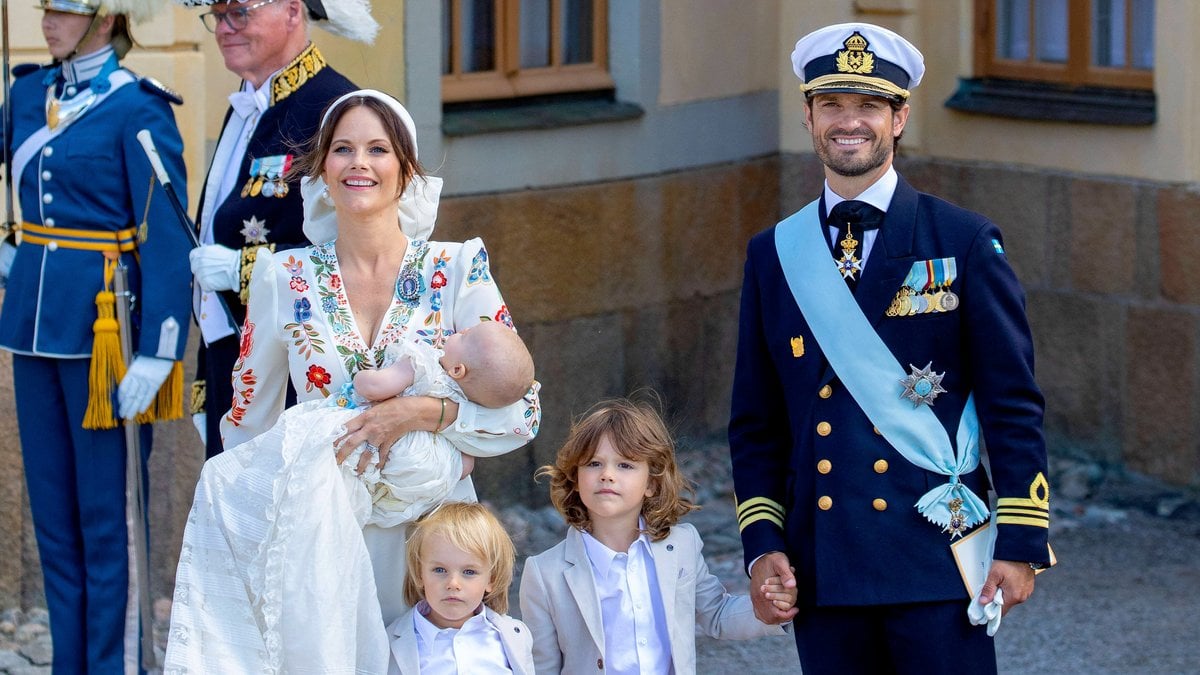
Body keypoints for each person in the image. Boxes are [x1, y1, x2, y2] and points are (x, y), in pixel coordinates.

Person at [162, 88, 540, 673]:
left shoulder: (457, 266)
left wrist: (420, 414)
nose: (359, 163)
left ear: (406, 168)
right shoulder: (281, 274)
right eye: (342, 149)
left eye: (377, 148)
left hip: (437, 543)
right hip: (323, 536)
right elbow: (248, 421)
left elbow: (523, 412)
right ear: (321, 169)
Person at [728, 22, 1052, 673]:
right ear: (808, 117)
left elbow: (1012, 402)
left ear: (899, 117)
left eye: (869, 105)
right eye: (832, 106)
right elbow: (756, 423)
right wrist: (764, 543)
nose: (850, 122)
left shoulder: (962, 242)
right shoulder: (773, 254)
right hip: (825, 564)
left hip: (934, 556)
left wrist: (1019, 540)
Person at [0, 1, 191, 672]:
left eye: (64, 11)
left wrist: (161, 349)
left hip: (107, 332)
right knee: (53, 522)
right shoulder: (26, 92)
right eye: (45, 9)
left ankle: (115, 664)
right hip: (32, 324)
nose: (47, 21)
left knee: (108, 523)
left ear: (104, 21)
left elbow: (168, 234)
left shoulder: (138, 106)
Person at [174, 0, 373, 458]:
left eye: (239, 13)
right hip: (237, 353)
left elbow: (355, 244)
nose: (224, 28)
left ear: (291, 10)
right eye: (217, 16)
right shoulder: (250, 100)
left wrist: (244, 268)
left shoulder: (332, 108)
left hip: (298, 369)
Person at [520, 397, 788, 675]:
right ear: (575, 479)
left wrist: (770, 609)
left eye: (625, 465)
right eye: (593, 463)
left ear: (651, 483)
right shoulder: (544, 573)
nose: (607, 475)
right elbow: (543, 667)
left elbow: (717, 614)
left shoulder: (682, 545)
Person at [273, 319, 535, 528]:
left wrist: (363, 380)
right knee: (462, 463)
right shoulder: (470, 394)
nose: (463, 329)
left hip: (377, 461)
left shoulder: (424, 365)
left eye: (465, 336)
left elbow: (373, 387)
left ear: (458, 370)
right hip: (425, 493)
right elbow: (465, 464)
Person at [386, 502, 534, 675]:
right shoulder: (390, 643)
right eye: (440, 570)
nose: (453, 583)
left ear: (491, 579)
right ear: (420, 575)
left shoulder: (514, 637)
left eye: (469, 572)